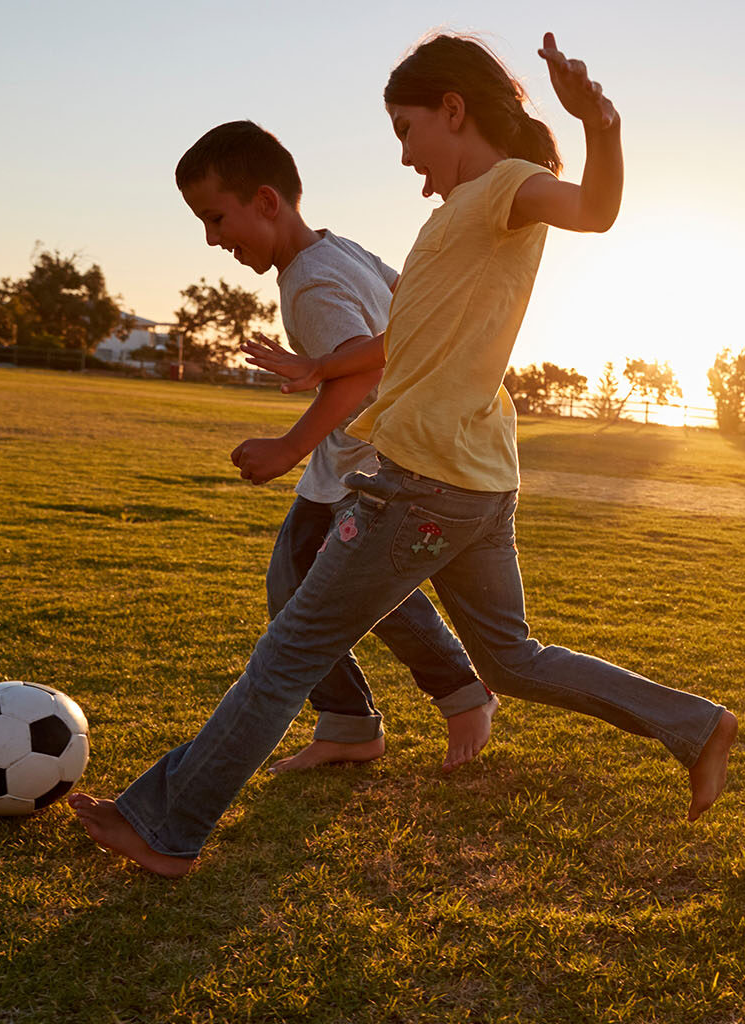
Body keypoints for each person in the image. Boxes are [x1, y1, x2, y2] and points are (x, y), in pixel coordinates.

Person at [73, 32, 738, 876]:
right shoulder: (454, 218)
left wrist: (600, 127)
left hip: (421, 486)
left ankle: (165, 826)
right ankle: (696, 724)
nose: (402, 153)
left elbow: (596, 211)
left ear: (453, 112)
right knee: (512, 659)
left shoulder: (504, 189)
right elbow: (401, 338)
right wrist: (322, 366)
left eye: (405, 128)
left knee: (288, 655)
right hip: (476, 478)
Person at [173, 120, 498, 776]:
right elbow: (413, 296)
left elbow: (357, 376)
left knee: (342, 590)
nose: (211, 238)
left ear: (266, 202)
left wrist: (288, 446)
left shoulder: (309, 283)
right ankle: (352, 722)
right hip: (358, 467)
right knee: (306, 586)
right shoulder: (338, 250)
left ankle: (456, 694)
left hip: (359, 470)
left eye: (216, 217)